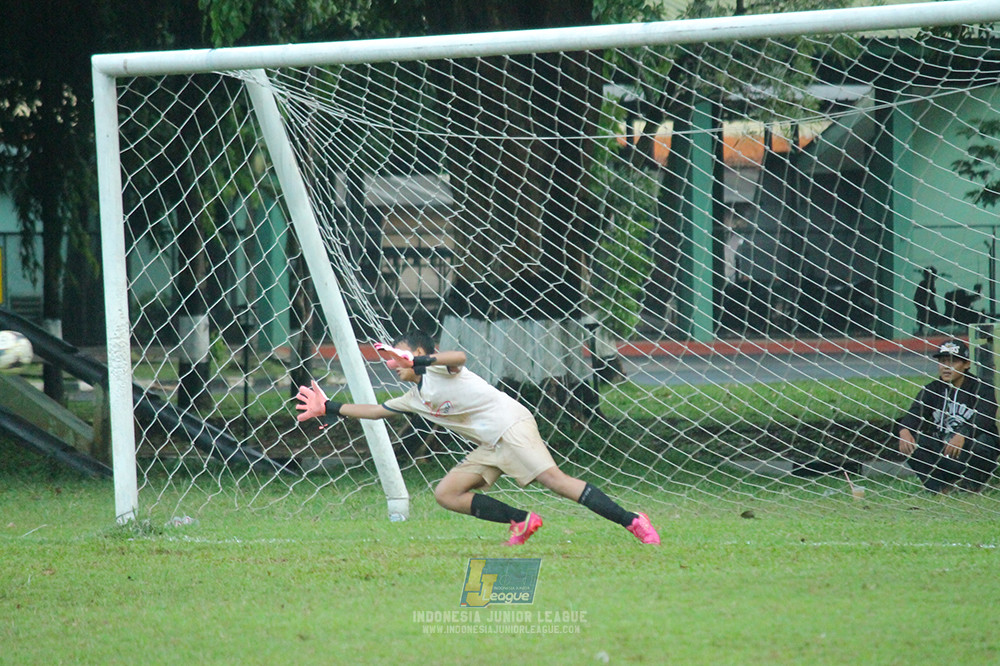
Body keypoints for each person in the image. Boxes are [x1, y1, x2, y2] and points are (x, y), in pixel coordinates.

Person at [295, 330, 661, 545]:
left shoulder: (444, 371)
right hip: (490, 444)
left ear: (419, 355)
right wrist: (328, 407)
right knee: (446, 494)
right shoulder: (415, 396)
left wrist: (419, 361)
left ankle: (632, 520)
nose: (391, 365)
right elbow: (375, 411)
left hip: (511, 427)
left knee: (555, 481)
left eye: (396, 357)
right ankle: (522, 519)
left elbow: (458, 355)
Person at [897, 339, 999, 493]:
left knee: (984, 442)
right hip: (943, 450)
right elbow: (914, 414)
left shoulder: (982, 388)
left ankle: (971, 486)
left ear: (966, 364)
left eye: (952, 362)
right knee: (908, 440)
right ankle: (938, 488)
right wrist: (904, 431)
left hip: (969, 452)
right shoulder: (932, 389)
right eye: (942, 361)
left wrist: (963, 435)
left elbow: (985, 418)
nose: (946, 367)